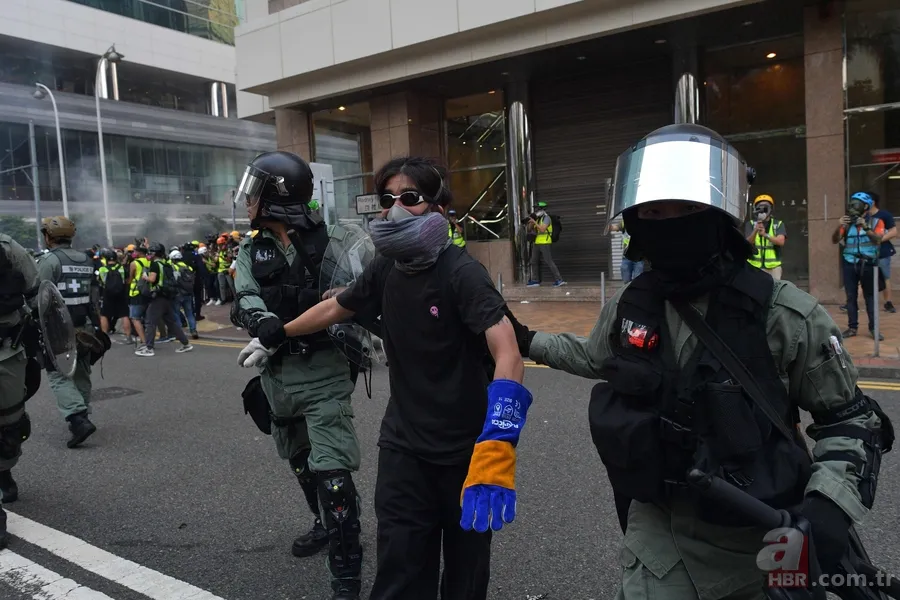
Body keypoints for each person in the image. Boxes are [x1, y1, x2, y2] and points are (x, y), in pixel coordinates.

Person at [509, 124, 892, 599]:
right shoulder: (632, 303)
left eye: (685, 208)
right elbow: (594, 358)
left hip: (759, 546)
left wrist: (828, 505)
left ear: (719, 214)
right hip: (657, 548)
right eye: (651, 211)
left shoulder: (784, 314)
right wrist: (525, 340)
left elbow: (850, 421)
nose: (667, 222)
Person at [239, 156, 531, 600]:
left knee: (465, 574)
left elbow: (508, 352)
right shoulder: (386, 267)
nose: (395, 208)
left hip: (464, 453)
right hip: (404, 447)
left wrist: (497, 443)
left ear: (438, 209)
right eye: (388, 198)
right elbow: (339, 306)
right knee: (399, 567)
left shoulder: (462, 274)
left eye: (410, 198)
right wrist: (279, 334)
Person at [231, 151, 364, 600]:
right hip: (277, 377)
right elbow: (245, 295)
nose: (247, 199)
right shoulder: (250, 248)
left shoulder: (340, 238)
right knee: (301, 461)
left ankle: (346, 575)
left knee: (333, 473)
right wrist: (259, 321)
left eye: (255, 189)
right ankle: (323, 523)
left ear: (276, 195)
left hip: (324, 374)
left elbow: (364, 286)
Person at [36, 216, 99, 448]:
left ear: (48, 236)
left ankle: (77, 419)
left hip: (58, 330)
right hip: (85, 326)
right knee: (82, 371)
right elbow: (94, 297)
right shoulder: (86, 259)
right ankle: (84, 414)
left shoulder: (49, 261)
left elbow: (38, 297)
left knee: (59, 375)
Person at [0, 233, 40, 548]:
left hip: (6, 352)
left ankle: (4, 472)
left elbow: (34, 290)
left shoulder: (7, 248)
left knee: (10, 425)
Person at [832, 192, 885, 340]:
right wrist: (840, 226)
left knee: (870, 297)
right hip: (850, 263)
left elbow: (878, 240)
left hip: (868, 264)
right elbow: (834, 240)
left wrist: (865, 226)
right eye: (852, 204)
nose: (852, 207)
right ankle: (852, 327)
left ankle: (874, 328)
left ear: (865, 206)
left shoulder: (876, 222)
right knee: (850, 297)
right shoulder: (847, 224)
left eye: (856, 204)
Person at [134, 243, 194, 357]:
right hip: (168, 296)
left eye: (151, 252)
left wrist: (145, 276)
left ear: (155, 253)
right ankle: (186, 344)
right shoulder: (166, 264)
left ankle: (149, 348)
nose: (149, 255)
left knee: (150, 322)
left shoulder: (155, 265)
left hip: (158, 296)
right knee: (171, 323)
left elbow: (152, 279)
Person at [744, 194, 786, 280]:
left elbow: (781, 241)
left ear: (771, 209)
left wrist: (765, 235)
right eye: (760, 208)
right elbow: (747, 243)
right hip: (754, 267)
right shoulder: (750, 224)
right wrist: (755, 230)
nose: (762, 210)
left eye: (765, 208)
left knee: (774, 292)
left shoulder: (778, 224)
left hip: (773, 268)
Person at [526, 201, 565, 287]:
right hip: (537, 242)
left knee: (549, 261)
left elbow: (543, 229)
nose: (536, 211)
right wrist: (530, 222)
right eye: (535, 209)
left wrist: (535, 222)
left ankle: (559, 279)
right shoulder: (537, 218)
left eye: (537, 209)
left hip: (545, 242)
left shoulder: (546, 218)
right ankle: (535, 280)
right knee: (533, 261)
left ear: (542, 210)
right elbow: (529, 229)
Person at [871, 193, 897, 313]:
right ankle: (851, 302)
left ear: (873, 201)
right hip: (866, 252)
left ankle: (888, 302)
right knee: (861, 276)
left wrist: (880, 240)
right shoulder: (863, 217)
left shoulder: (884, 215)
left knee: (885, 276)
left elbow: (893, 232)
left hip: (882, 251)